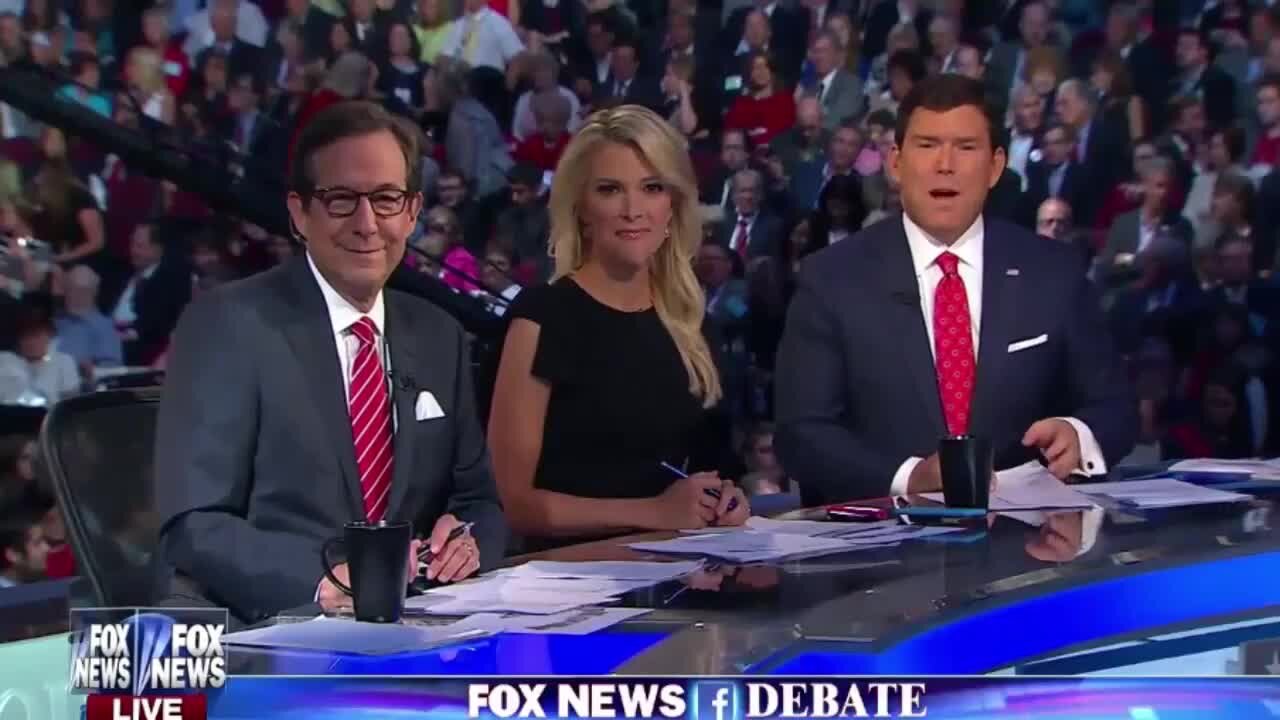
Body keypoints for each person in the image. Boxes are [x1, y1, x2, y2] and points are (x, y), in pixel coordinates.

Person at [155, 101, 505, 625]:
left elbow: (480, 502)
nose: (367, 224)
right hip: (276, 628)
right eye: (342, 200)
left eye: (386, 199)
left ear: (412, 212)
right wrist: (322, 582)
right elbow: (193, 523)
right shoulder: (227, 324)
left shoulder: (439, 335)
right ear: (300, 214)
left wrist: (466, 540)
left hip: (419, 624)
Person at [775, 75, 1136, 505]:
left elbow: (1114, 406)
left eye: (965, 147)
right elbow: (803, 434)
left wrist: (1079, 435)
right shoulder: (832, 278)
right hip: (886, 537)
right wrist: (910, 478)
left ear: (995, 167)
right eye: (927, 145)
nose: (944, 164)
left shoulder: (1053, 271)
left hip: (1027, 537)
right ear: (896, 163)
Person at [487, 104, 749, 550]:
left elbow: (711, 465)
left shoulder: (690, 322)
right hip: (569, 579)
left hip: (683, 567)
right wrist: (653, 512)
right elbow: (512, 502)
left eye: (652, 188)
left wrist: (721, 500)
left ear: (673, 206)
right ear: (581, 208)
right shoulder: (542, 318)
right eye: (610, 190)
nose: (633, 210)